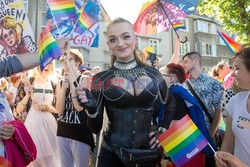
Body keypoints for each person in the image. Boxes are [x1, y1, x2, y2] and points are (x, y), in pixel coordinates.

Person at [76, 17, 176, 167]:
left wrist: (162, 130)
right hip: (111, 154)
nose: (121, 43)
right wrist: (91, 110)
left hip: (146, 155)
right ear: (108, 45)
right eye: (113, 39)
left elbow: (170, 103)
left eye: (126, 36)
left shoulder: (153, 74)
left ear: (135, 39)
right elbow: (95, 128)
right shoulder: (100, 79)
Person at [160, 63, 217, 167]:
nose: (158, 78)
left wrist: (165, 156)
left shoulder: (173, 95)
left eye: (161, 75)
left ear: (171, 79)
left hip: (184, 152)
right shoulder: (180, 91)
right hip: (193, 146)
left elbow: (174, 125)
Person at [182, 52, 224, 166]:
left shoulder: (213, 83)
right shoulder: (183, 85)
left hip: (208, 134)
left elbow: (218, 110)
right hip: (189, 136)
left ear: (195, 61)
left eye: (185, 61)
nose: (183, 65)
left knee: (209, 163)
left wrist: (210, 133)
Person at [56, 49, 94, 167]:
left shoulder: (84, 79)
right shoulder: (60, 82)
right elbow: (59, 110)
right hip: (62, 130)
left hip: (79, 131)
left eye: (69, 59)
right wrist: (63, 89)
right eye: (63, 60)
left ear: (77, 63)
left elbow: (79, 107)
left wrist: (72, 82)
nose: (65, 62)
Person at [18, 62, 60, 167]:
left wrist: (45, 107)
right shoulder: (27, 82)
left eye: (50, 63)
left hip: (50, 127)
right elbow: (18, 110)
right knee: (33, 159)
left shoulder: (55, 84)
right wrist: (27, 95)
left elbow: (59, 109)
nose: (47, 66)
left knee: (52, 159)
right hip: (32, 127)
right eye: (44, 63)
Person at [217, 46, 250, 166]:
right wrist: (222, 158)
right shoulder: (235, 102)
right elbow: (228, 143)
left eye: (237, 68)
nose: (232, 74)